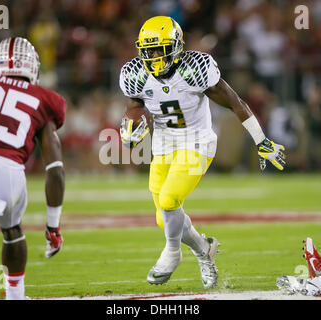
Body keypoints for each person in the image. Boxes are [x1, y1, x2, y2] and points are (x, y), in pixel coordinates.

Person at [119, 16, 286, 289]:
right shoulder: (135, 73)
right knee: (164, 216)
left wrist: (262, 140)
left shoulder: (193, 69)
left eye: (159, 49)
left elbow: (236, 102)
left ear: (175, 47)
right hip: (163, 146)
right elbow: (135, 104)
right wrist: (130, 123)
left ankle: (171, 254)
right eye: (148, 50)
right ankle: (203, 248)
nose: (153, 56)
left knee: (170, 199)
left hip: (196, 142)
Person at [0, 37, 66, 299]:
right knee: (12, 230)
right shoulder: (43, 98)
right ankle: (15, 295)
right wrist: (53, 227)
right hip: (9, 171)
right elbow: (54, 168)